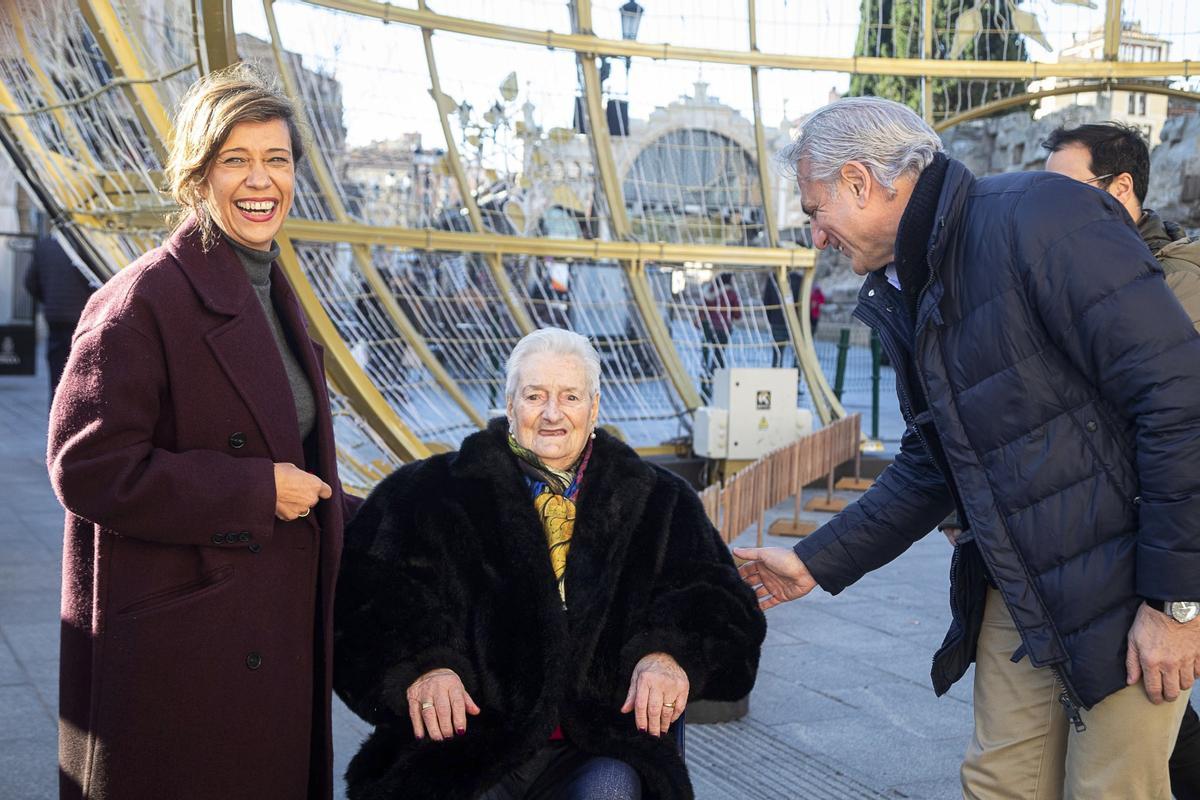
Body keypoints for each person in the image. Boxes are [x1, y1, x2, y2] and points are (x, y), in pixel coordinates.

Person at [735, 97, 1200, 799]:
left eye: (814, 209)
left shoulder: (1043, 216)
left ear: (861, 181)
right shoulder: (909, 282)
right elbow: (934, 460)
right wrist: (813, 561)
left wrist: (1175, 605)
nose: (816, 235)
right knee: (999, 784)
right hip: (1017, 578)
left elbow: (1179, 398)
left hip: (1126, 577)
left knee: (1112, 789)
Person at [48, 64, 356, 800]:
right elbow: (86, 467)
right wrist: (252, 491)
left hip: (257, 628)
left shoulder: (267, 285)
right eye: (236, 160)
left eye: (276, 160)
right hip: (184, 647)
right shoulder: (142, 300)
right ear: (197, 173)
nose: (261, 180)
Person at [334, 327, 765, 800]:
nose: (553, 414)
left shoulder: (658, 500)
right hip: (463, 745)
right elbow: (362, 599)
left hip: (598, 742)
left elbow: (722, 604)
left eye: (570, 396)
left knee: (612, 790)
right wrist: (424, 666)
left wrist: (669, 654)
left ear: (594, 407)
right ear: (510, 403)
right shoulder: (427, 493)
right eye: (535, 395)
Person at [21, 233, 94, 403]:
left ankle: (56, 421)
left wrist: (48, 299)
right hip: (83, 319)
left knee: (57, 379)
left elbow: (29, 281)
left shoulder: (44, 245)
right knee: (83, 379)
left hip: (55, 319)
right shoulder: (84, 243)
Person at [697, 272, 742, 400]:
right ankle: (716, 382)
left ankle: (705, 382)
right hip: (722, 328)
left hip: (707, 327)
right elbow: (738, 314)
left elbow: (702, 308)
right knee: (719, 356)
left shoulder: (709, 292)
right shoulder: (731, 294)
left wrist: (699, 320)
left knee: (706, 355)